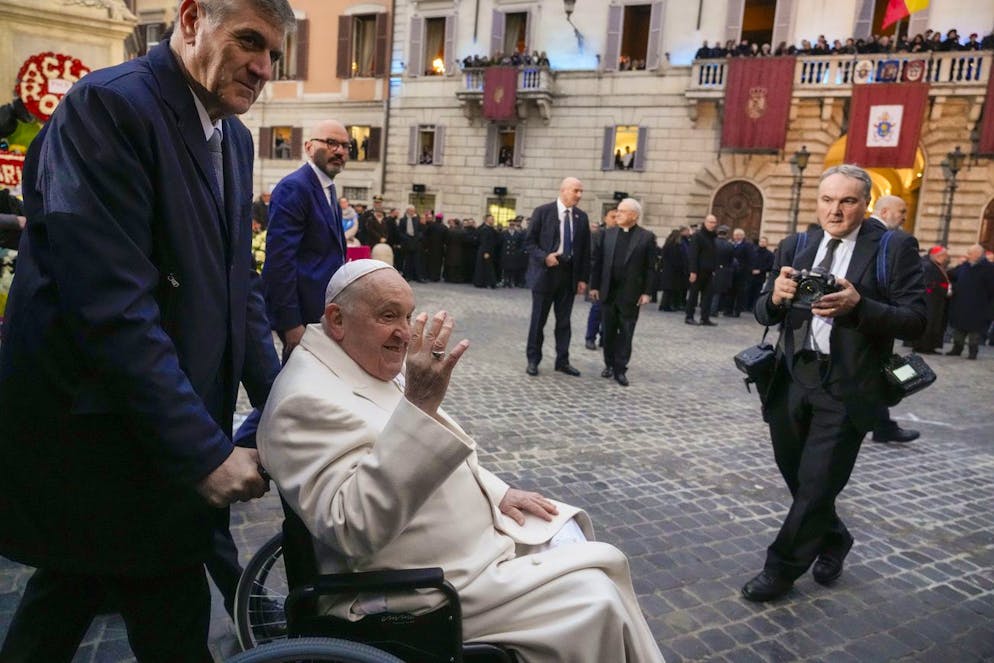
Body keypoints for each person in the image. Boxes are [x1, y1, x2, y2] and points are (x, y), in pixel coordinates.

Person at [0, 0, 291, 659]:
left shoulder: (236, 139)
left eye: (273, 53)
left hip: (160, 444)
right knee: (166, 618)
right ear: (190, 20)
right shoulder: (109, 106)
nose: (262, 67)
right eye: (249, 41)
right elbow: (109, 304)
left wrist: (286, 402)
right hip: (104, 443)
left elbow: (236, 287)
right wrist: (204, 453)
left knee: (65, 603)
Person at [257, 260, 665, 663]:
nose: (404, 333)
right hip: (421, 585)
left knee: (567, 527)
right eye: (387, 316)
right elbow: (353, 527)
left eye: (409, 316)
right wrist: (419, 405)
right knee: (596, 600)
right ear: (337, 319)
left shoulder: (357, 357)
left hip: (469, 544)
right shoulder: (304, 400)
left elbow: (430, 453)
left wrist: (500, 492)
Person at [743, 165, 926, 602]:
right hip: (791, 378)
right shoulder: (797, 244)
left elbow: (918, 321)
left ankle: (780, 569)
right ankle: (835, 538)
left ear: (865, 204)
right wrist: (774, 298)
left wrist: (859, 306)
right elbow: (762, 313)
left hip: (849, 385)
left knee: (818, 484)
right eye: (827, 200)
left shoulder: (894, 247)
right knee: (797, 476)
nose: (835, 210)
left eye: (846, 201)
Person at [263, 119, 349, 361]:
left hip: (324, 313)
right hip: (302, 319)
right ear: (309, 147)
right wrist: (290, 325)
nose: (340, 151)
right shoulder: (295, 187)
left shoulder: (329, 189)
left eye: (345, 146)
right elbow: (280, 261)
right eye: (331, 143)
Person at [524, 177, 591, 377]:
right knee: (538, 321)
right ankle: (533, 360)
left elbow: (585, 251)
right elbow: (529, 243)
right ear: (563, 190)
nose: (579, 195)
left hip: (568, 276)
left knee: (564, 322)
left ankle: (562, 361)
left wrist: (582, 279)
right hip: (546, 274)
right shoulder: (543, 212)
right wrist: (545, 257)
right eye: (576, 191)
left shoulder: (581, 217)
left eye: (581, 191)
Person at [866, 195, 920, 443]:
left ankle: (883, 424)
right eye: (901, 211)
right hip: (877, 321)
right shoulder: (897, 241)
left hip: (870, 320)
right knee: (882, 374)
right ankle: (883, 425)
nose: (904, 216)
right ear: (885, 211)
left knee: (877, 376)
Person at [589, 199, 656, 387]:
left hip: (631, 294)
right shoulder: (606, 234)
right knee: (608, 332)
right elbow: (597, 262)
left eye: (622, 211)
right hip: (608, 291)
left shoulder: (646, 237)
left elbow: (651, 268)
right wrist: (594, 287)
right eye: (617, 211)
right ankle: (609, 364)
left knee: (626, 333)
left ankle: (621, 369)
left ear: (634, 215)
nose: (617, 214)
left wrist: (647, 292)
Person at [946, 244, 994, 359]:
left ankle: (973, 351)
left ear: (978, 254)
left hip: (979, 305)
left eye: (970, 253)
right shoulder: (965, 266)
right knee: (958, 329)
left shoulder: (989, 268)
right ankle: (957, 348)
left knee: (975, 332)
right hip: (961, 303)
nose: (967, 255)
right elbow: (951, 274)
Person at [586, 209, 618, 349]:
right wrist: (594, 284)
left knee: (612, 313)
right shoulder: (599, 235)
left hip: (616, 282)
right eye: (612, 217)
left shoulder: (622, 235)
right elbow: (594, 259)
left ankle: (605, 337)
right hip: (601, 280)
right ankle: (590, 337)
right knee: (597, 310)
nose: (616, 220)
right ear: (605, 218)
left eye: (618, 217)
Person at [912, 246, 951, 354]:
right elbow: (929, 285)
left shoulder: (935, 265)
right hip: (930, 301)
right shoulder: (928, 266)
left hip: (935, 301)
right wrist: (943, 289)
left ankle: (930, 346)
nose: (946, 258)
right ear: (937, 256)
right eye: (944, 256)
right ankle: (924, 347)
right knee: (929, 324)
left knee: (934, 324)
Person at [685, 214, 718, 326]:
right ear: (705, 222)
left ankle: (705, 318)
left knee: (708, 297)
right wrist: (693, 271)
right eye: (710, 222)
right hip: (698, 271)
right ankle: (689, 316)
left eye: (714, 222)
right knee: (693, 296)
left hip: (709, 271)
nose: (712, 225)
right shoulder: (698, 236)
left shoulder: (713, 236)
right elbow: (693, 254)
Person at [657, 227, 688, 312]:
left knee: (667, 290)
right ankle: (666, 306)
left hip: (667, 269)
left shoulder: (667, 244)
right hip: (673, 271)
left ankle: (663, 305)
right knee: (670, 289)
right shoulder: (675, 246)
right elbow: (676, 259)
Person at [397, 205, 424, 281]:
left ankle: (418, 277)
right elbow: (400, 232)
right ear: (407, 211)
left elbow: (421, 230)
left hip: (416, 242)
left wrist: (418, 237)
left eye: (413, 210)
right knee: (407, 261)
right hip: (407, 242)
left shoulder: (417, 219)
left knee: (417, 261)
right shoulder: (403, 220)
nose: (412, 212)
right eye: (410, 210)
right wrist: (406, 238)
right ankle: (407, 276)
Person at [473, 214, 499, 288]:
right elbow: (484, 241)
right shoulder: (485, 229)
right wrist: (486, 252)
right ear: (487, 220)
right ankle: (484, 283)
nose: (493, 220)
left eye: (493, 219)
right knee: (484, 268)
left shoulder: (490, 228)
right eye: (491, 219)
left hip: (489, 250)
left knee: (488, 267)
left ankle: (488, 283)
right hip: (485, 251)